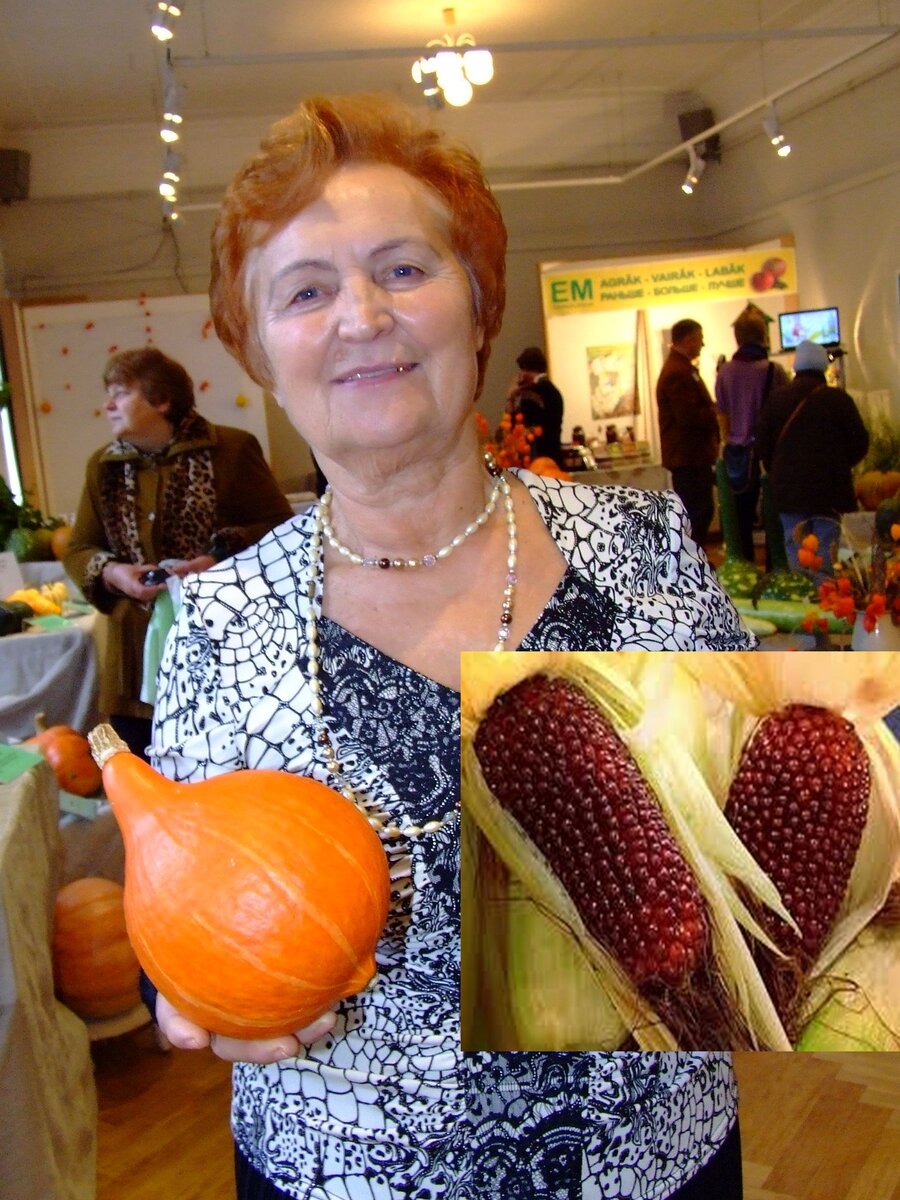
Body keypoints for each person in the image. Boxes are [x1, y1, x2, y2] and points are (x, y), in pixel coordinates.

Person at [147, 95, 752, 1200]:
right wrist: (192, 996)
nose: (361, 315)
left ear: (477, 307)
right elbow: (182, 897)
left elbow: (749, 831)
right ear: (260, 353)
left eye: (404, 270)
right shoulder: (215, 622)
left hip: (651, 1163)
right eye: (307, 291)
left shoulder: (645, 545)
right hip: (344, 1174)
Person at [63, 346, 293, 758]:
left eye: (120, 393)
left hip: (223, 647)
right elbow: (79, 548)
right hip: (135, 664)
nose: (107, 404)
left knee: (224, 773)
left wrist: (218, 559)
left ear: (162, 400)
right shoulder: (102, 466)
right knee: (143, 772)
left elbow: (280, 529)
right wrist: (115, 573)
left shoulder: (232, 450)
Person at [756, 338, 868, 573]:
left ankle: (803, 595)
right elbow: (860, 443)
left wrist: (777, 469)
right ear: (822, 368)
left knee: (795, 544)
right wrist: (840, 465)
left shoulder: (776, 400)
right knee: (826, 546)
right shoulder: (839, 400)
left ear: (796, 366)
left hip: (789, 489)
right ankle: (824, 598)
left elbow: (762, 446)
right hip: (830, 489)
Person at [715, 309, 789, 561]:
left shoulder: (724, 372)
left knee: (740, 517)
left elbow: (722, 414)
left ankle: (744, 566)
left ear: (737, 338)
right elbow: (783, 411)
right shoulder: (773, 370)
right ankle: (774, 566)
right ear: (762, 336)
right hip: (769, 452)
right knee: (772, 513)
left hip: (736, 454)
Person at [656, 319, 721, 547]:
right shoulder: (677, 372)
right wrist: (714, 411)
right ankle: (693, 563)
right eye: (700, 338)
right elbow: (687, 416)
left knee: (700, 510)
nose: (703, 344)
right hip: (689, 457)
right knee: (697, 511)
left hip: (691, 456)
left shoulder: (681, 368)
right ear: (689, 339)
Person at [509, 345, 565, 465]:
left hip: (537, 458)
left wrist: (512, 396)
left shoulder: (531, 393)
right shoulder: (553, 390)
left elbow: (517, 424)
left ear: (525, 369)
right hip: (554, 456)